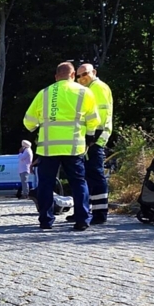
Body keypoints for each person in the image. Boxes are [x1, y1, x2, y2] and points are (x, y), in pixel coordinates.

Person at [23, 61, 101, 230]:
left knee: (46, 184)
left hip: (48, 148)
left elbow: (28, 122)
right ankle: (82, 220)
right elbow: (94, 120)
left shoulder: (44, 93)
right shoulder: (84, 92)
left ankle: (46, 220)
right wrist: (89, 137)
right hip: (74, 146)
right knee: (78, 182)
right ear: (73, 75)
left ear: (56, 77)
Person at [75, 63, 113, 224]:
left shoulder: (97, 87)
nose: (81, 78)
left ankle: (100, 213)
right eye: (78, 76)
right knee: (88, 175)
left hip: (95, 139)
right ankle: (88, 210)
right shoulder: (89, 89)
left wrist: (92, 139)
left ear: (94, 72)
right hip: (90, 139)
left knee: (96, 175)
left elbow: (101, 116)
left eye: (85, 74)